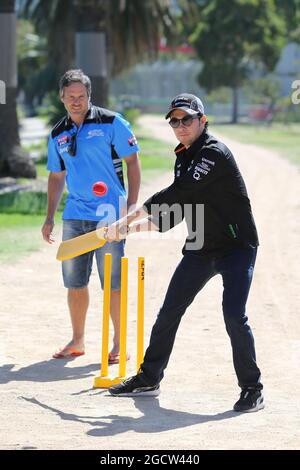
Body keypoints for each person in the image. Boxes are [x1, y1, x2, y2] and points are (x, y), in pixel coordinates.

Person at [104, 93, 264, 413]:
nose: (180, 126)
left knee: (234, 314)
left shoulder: (213, 153)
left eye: (187, 119)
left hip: (236, 248)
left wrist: (127, 217)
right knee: (169, 312)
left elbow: (179, 192)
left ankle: (252, 389)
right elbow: (174, 213)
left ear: (202, 121)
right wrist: (131, 230)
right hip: (201, 247)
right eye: (174, 121)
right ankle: (149, 378)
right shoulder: (184, 156)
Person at [41, 69, 141, 361]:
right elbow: (56, 176)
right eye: (70, 97)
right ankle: (78, 340)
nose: (76, 101)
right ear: (62, 98)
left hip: (111, 214)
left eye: (81, 96)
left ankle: (119, 343)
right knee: (74, 282)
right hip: (74, 216)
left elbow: (133, 163)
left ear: (89, 96)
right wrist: (49, 217)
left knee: (113, 282)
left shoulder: (112, 122)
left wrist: (132, 207)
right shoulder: (58, 133)